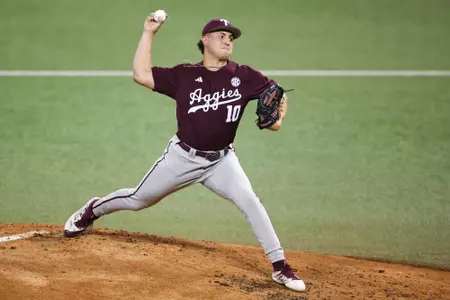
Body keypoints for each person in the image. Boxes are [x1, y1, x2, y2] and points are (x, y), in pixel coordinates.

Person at [63, 12, 305, 292]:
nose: (228, 40)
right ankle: (94, 209)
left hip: (222, 162)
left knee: (251, 201)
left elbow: (279, 92)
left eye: (231, 37)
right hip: (182, 158)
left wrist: (278, 120)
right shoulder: (185, 75)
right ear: (205, 41)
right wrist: (148, 33)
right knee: (137, 199)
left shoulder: (244, 76)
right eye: (221, 36)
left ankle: (279, 267)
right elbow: (141, 75)